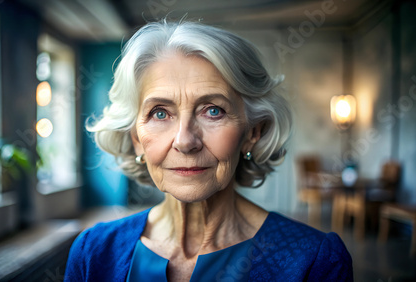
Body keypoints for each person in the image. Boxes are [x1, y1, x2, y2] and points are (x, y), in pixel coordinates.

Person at [65, 20, 353, 281]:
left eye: (213, 111)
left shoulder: (314, 261)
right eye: (160, 113)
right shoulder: (94, 253)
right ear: (137, 139)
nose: (185, 141)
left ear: (253, 132)